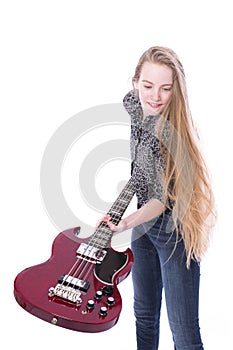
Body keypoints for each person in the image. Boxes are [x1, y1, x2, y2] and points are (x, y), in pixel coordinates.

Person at [100, 46, 215, 350]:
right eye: (148, 85)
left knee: (184, 332)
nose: (156, 97)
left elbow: (160, 201)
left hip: (173, 231)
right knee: (145, 315)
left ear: (176, 89)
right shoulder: (136, 107)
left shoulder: (169, 135)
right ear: (135, 81)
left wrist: (124, 224)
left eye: (166, 88)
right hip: (144, 228)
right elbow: (141, 171)